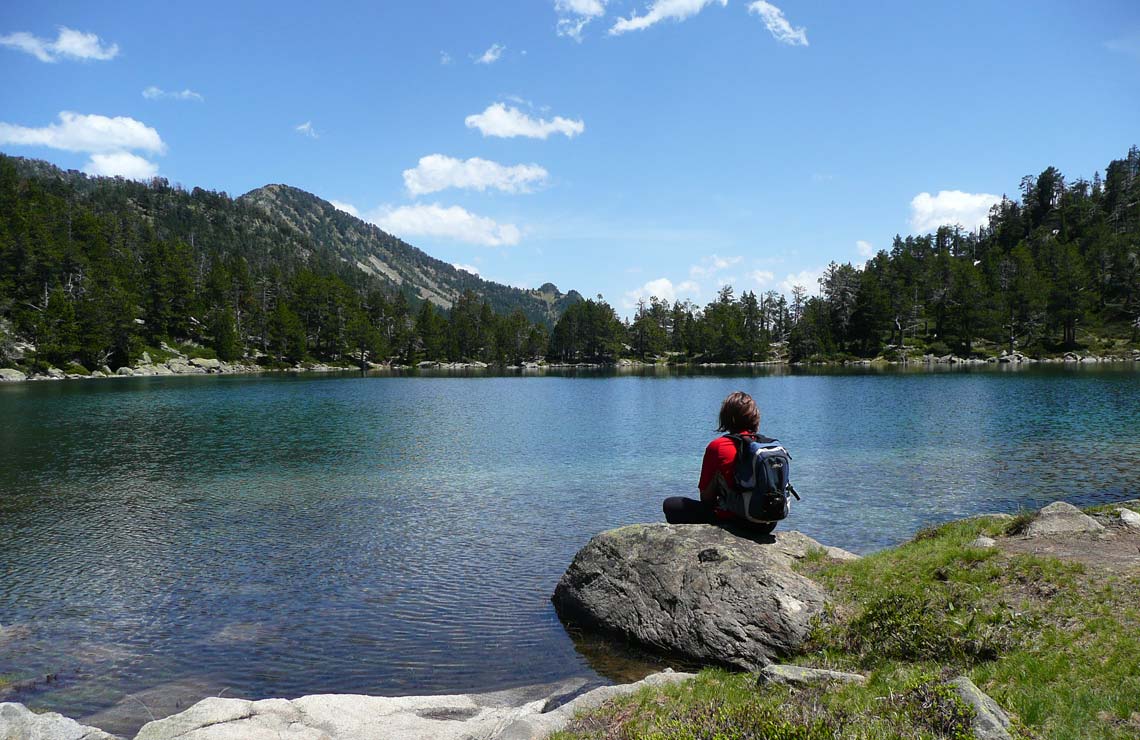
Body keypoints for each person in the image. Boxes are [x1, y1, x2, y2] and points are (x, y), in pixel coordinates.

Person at [662, 390, 778, 534]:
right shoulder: (771, 446)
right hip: (769, 522)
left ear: (726, 418)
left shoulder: (718, 446)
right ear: (755, 418)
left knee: (671, 505)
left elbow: (706, 498)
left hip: (739, 521)